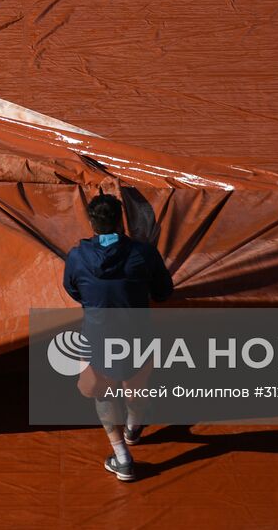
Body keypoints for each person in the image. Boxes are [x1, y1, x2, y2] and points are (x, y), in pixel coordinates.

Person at [62, 193, 173, 482]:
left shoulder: (77, 256)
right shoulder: (144, 254)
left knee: (103, 393)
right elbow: (163, 292)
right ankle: (134, 428)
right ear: (121, 221)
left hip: (98, 340)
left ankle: (122, 458)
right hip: (137, 337)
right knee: (137, 384)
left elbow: (73, 291)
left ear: (91, 223)